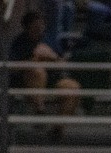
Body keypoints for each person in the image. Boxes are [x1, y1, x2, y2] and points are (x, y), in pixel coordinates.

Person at [9, 10, 81, 140]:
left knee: (72, 87)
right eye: (35, 26)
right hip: (28, 83)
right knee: (37, 70)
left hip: (53, 79)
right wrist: (35, 59)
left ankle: (58, 129)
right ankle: (40, 111)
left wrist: (52, 57)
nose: (39, 29)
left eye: (41, 25)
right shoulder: (20, 42)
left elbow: (62, 62)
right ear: (27, 28)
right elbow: (12, 66)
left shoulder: (49, 40)